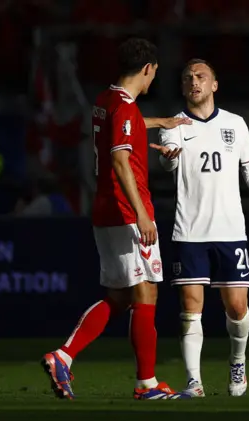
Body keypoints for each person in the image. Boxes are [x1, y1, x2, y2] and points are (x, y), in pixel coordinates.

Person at [41, 38, 192, 401]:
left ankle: (63, 356)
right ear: (147, 69)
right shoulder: (124, 109)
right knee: (146, 292)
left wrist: (157, 124)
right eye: (154, 72)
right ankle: (147, 384)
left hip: (105, 211)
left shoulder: (105, 100)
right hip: (127, 213)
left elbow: (126, 125)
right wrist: (141, 213)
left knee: (121, 296)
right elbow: (121, 160)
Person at [151, 59, 249, 398]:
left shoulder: (235, 124)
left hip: (230, 229)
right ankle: (194, 382)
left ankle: (238, 362)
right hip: (189, 230)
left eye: (200, 76)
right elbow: (169, 162)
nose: (193, 81)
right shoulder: (173, 125)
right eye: (187, 78)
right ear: (183, 87)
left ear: (214, 84)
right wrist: (168, 157)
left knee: (237, 307)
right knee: (190, 306)